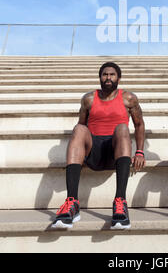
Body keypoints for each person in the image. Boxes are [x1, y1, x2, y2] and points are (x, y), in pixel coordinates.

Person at [52, 61, 145, 230]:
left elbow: (139, 125)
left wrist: (139, 151)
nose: (108, 77)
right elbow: (82, 126)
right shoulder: (88, 99)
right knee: (79, 128)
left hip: (115, 152)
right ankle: (72, 203)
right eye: (105, 74)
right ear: (100, 77)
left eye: (112, 74)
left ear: (119, 78)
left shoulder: (129, 98)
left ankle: (120, 203)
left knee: (123, 128)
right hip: (94, 151)